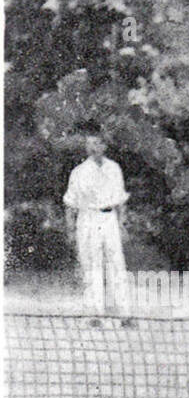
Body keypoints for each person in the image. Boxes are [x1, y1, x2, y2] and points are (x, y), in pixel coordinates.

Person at [63, 129, 131, 318]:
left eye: (98, 144)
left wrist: (122, 224)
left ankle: (123, 313)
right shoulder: (79, 172)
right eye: (90, 144)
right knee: (91, 265)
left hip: (109, 219)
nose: (94, 148)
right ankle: (95, 314)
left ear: (105, 146)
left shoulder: (114, 169)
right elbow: (70, 204)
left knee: (117, 264)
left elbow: (120, 201)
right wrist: (70, 229)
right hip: (88, 219)